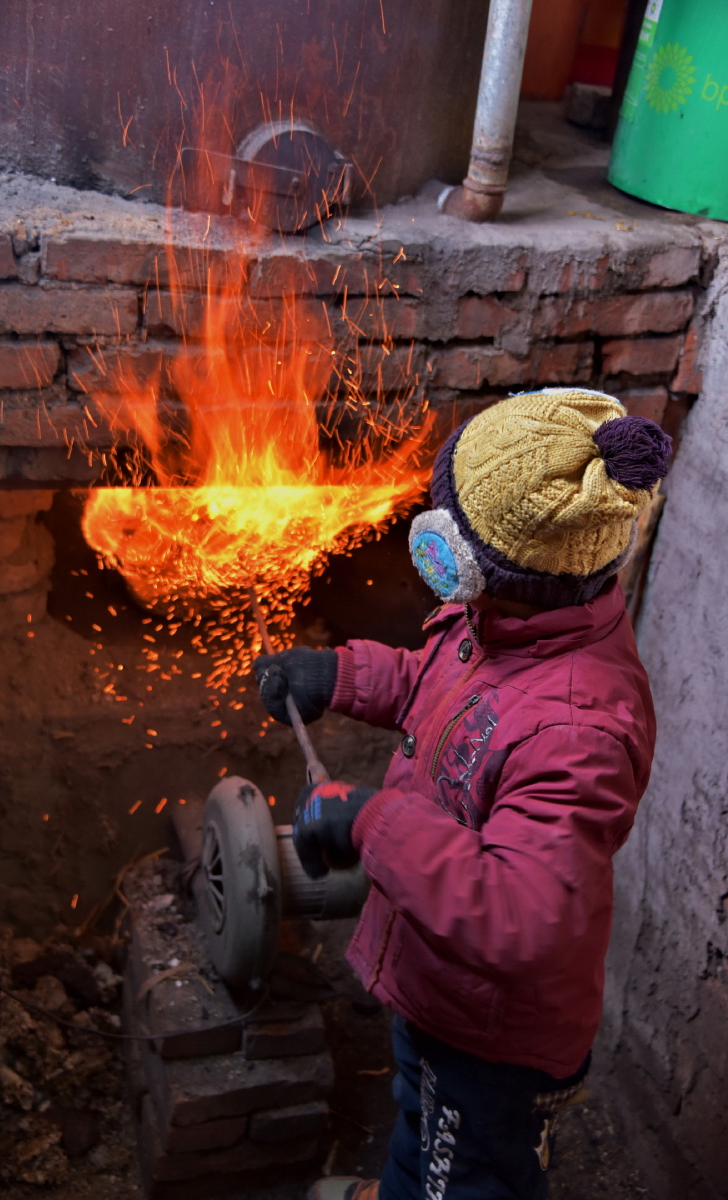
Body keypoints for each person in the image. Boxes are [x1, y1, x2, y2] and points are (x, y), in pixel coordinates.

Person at [253, 388, 671, 1200]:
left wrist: (372, 823)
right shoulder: (508, 623)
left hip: (491, 1036)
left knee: (465, 1172)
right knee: (420, 1116)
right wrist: (338, 675)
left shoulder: (575, 730)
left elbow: (516, 913)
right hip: (439, 982)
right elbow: (439, 686)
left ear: (484, 565)